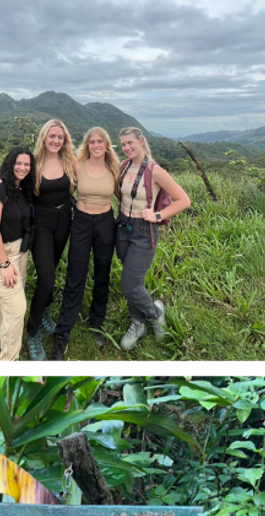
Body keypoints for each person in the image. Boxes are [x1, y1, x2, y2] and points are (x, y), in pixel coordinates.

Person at [114, 126, 191, 350]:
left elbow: (183, 200)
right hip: (122, 227)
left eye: (130, 143)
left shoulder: (155, 170)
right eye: (123, 144)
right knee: (133, 282)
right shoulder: (124, 165)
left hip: (143, 231)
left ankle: (155, 314)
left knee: (129, 284)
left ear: (140, 141)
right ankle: (137, 323)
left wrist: (157, 215)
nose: (127, 148)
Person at [50, 126, 120, 360]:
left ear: (107, 144)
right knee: (75, 274)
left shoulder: (114, 169)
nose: (97, 145)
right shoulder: (77, 165)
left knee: (102, 274)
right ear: (87, 145)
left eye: (101, 141)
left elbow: (127, 194)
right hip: (80, 221)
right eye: (92, 142)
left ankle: (97, 324)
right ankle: (62, 333)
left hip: (105, 223)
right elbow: (49, 162)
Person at [25, 119, 78, 360]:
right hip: (42, 223)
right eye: (52, 136)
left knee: (52, 269)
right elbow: (13, 181)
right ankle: (32, 333)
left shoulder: (70, 161)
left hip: (64, 219)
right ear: (44, 138)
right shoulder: (33, 163)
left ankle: (45, 313)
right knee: (46, 279)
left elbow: (94, 174)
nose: (56, 141)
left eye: (60, 137)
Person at [0, 146, 35, 361]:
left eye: (27, 164)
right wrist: (4, 265)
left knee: (6, 300)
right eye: (18, 163)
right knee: (17, 308)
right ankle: (8, 360)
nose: (22, 168)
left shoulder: (21, 188)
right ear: (10, 163)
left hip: (19, 251)